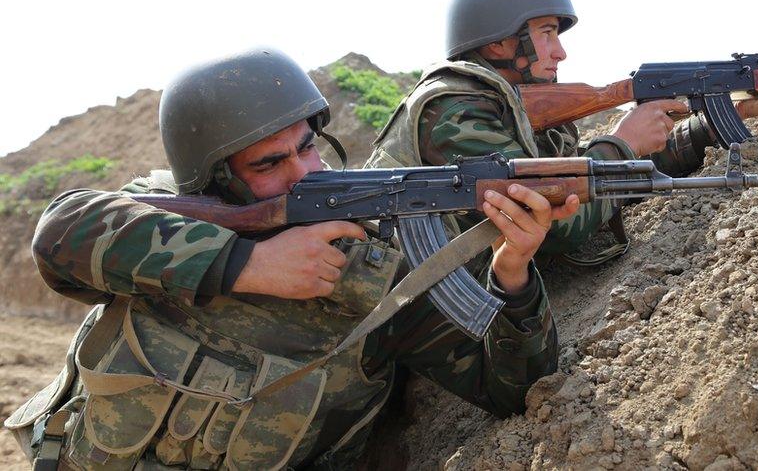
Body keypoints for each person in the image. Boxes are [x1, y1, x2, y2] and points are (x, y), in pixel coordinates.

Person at [3, 49, 578, 469]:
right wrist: (250, 265)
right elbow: (60, 231)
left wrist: (512, 272)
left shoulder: (378, 269)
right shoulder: (167, 219)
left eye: (306, 147)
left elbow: (516, 389)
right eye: (268, 164)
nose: (302, 172)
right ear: (214, 180)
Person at [367, 0, 758, 267]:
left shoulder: (512, 105)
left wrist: (736, 110)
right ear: (499, 42)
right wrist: (622, 142)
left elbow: (612, 179)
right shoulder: (455, 113)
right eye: (546, 33)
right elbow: (560, 223)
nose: (560, 51)